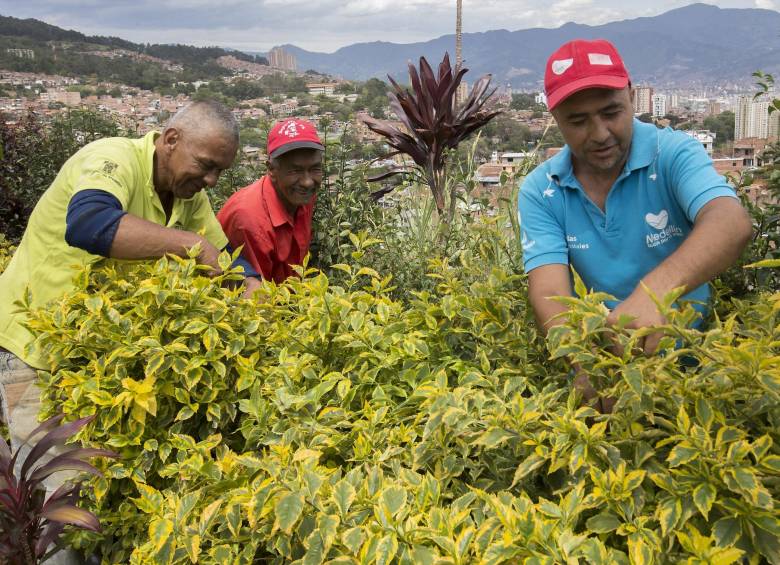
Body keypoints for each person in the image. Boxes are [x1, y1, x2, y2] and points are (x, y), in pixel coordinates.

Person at [0, 100, 245, 459]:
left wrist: (249, 287)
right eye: (206, 166)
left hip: (89, 354)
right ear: (171, 140)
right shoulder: (112, 158)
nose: (211, 180)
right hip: (30, 343)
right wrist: (190, 243)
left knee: (95, 479)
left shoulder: (187, 194)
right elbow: (89, 224)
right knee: (53, 480)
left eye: (219, 172)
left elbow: (223, 259)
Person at [518, 39, 752, 403]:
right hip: (614, 365)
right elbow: (550, 290)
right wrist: (584, 364)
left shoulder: (672, 153)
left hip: (702, 364)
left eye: (611, 112)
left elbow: (729, 222)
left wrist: (653, 293)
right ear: (555, 119)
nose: (599, 134)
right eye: (578, 121)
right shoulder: (542, 190)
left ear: (631, 95)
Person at [217, 118, 324, 293]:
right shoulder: (250, 220)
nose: (307, 182)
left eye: (315, 169)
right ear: (272, 170)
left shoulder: (300, 195)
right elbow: (253, 296)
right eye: (294, 171)